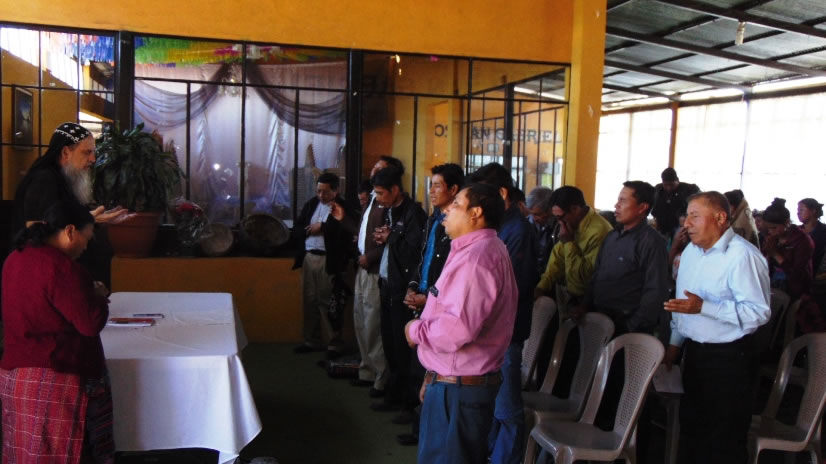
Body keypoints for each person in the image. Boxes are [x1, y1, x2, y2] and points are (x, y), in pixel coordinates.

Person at [404, 182, 518, 464]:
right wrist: (433, 374)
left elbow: (456, 330)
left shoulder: (476, 258)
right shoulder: (479, 249)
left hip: (458, 389)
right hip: (453, 382)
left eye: (456, 204)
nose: (447, 211)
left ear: (475, 213)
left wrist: (414, 331)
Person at [0, 200, 114, 464]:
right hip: (53, 379)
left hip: (15, 377)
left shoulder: (15, 258)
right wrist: (98, 297)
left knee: (24, 453)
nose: (86, 246)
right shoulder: (62, 267)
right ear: (70, 231)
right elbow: (89, 323)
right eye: (87, 237)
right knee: (58, 454)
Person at [664, 191, 770, 464]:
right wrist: (674, 345)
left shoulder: (743, 256)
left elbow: (758, 313)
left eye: (695, 216)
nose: (687, 223)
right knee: (693, 430)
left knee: (724, 438)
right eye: (687, 216)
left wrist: (706, 308)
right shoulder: (690, 252)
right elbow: (684, 305)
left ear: (721, 218)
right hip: (695, 354)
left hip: (730, 358)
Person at [468, 163, 539, 464]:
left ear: (501, 193)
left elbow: (514, 287)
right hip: (494, 331)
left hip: (507, 332)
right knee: (495, 403)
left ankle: (507, 459)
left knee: (507, 408)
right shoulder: (499, 227)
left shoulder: (517, 230)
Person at [396, 162, 464, 446]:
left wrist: (430, 298)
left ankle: (424, 430)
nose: (432, 191)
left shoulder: (458, 227)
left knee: (431, 369)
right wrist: (413, 287)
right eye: (431, 185)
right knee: (417, 365)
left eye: (437, 186)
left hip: (439, 306)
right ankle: (417, 423)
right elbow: (423, 259)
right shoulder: (433, 220)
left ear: (454, 189)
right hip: (423, 299)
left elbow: (451, 274)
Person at [13, 123, 127, 285]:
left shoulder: (65, 178)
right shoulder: (44, 179)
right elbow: (34, 232)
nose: (93, 159)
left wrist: (96, 219)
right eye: (87, 152)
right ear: (66, 152)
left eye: (93, 152)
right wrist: (89, 219)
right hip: (41, 275)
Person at [329, 156, 403, 398]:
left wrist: (370, 256)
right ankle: (367, 371)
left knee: (373, 325)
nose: (373, 171)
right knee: (360, 320)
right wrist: (344, 219)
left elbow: (391, 240)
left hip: (374, 269)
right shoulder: (373, 198)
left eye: (379, 168)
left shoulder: (388, 203)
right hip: (362, 267)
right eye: (374, 167)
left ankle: (381, 378)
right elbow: (364, 233)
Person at [370, 166, 427, 416]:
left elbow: (415, 253)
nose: (378, 199)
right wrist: (385, 238)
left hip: (404, 289)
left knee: (404, 349)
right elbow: (394, 243)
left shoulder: (414, 213)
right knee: (390, 344)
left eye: (381, 193)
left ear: (395, 190)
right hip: (387, 283)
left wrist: (391, 237)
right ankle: (393, 395)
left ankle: (408, 403)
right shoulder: (389, 211)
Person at [292, 172, 357, 358]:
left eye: (326, 192)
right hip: (309, 257)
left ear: (336, 191)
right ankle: (311, 340)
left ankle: (334, 344)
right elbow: (298, 227)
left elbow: (347, 231)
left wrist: (323, 226)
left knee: (328, 302)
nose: (321, 195)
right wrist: (309, 230)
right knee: (309, 300)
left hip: (329, 260)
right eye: (319, 191)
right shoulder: (311, 204)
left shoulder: (343, 208)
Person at [535, 186, 612, 306]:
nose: (559, 222)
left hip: (588, 301)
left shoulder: (599, 232)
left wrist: (569, 242)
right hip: (567, 294)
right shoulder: (570, 223)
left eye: (561, 217)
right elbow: (558, 257)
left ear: (575, 209)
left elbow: (584, 279)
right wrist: (542, 286)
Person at [762, 198, 814, 300]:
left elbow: (797, 275)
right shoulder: (772, 238)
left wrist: (775, 254)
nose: (770, 231)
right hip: (772, 287)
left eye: (774, 228)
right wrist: (766, 253)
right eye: (768, 228)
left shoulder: (802, 241)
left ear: (787, 223)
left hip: (795, 292)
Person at [651, 167, 699, 238]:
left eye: (671, 185)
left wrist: (684, 215)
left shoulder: (690, 189)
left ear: (677, 181)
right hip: (662, 227)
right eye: (665, 185)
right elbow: (653, 206)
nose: (669, 188)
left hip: (681, 227)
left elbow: (698, 206)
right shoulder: (658, 190)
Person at [526, 186, 557, 277]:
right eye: (531, 214)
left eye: (538, 214)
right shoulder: (526, 224)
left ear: (550, 210)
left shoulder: (559, 226)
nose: (534, 218)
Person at [797, 198, 826, 274]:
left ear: (813, 211)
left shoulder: (824, 231)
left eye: (801, 210)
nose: (798, 213)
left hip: (819, 274)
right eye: (798, 210)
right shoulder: (795, 231)